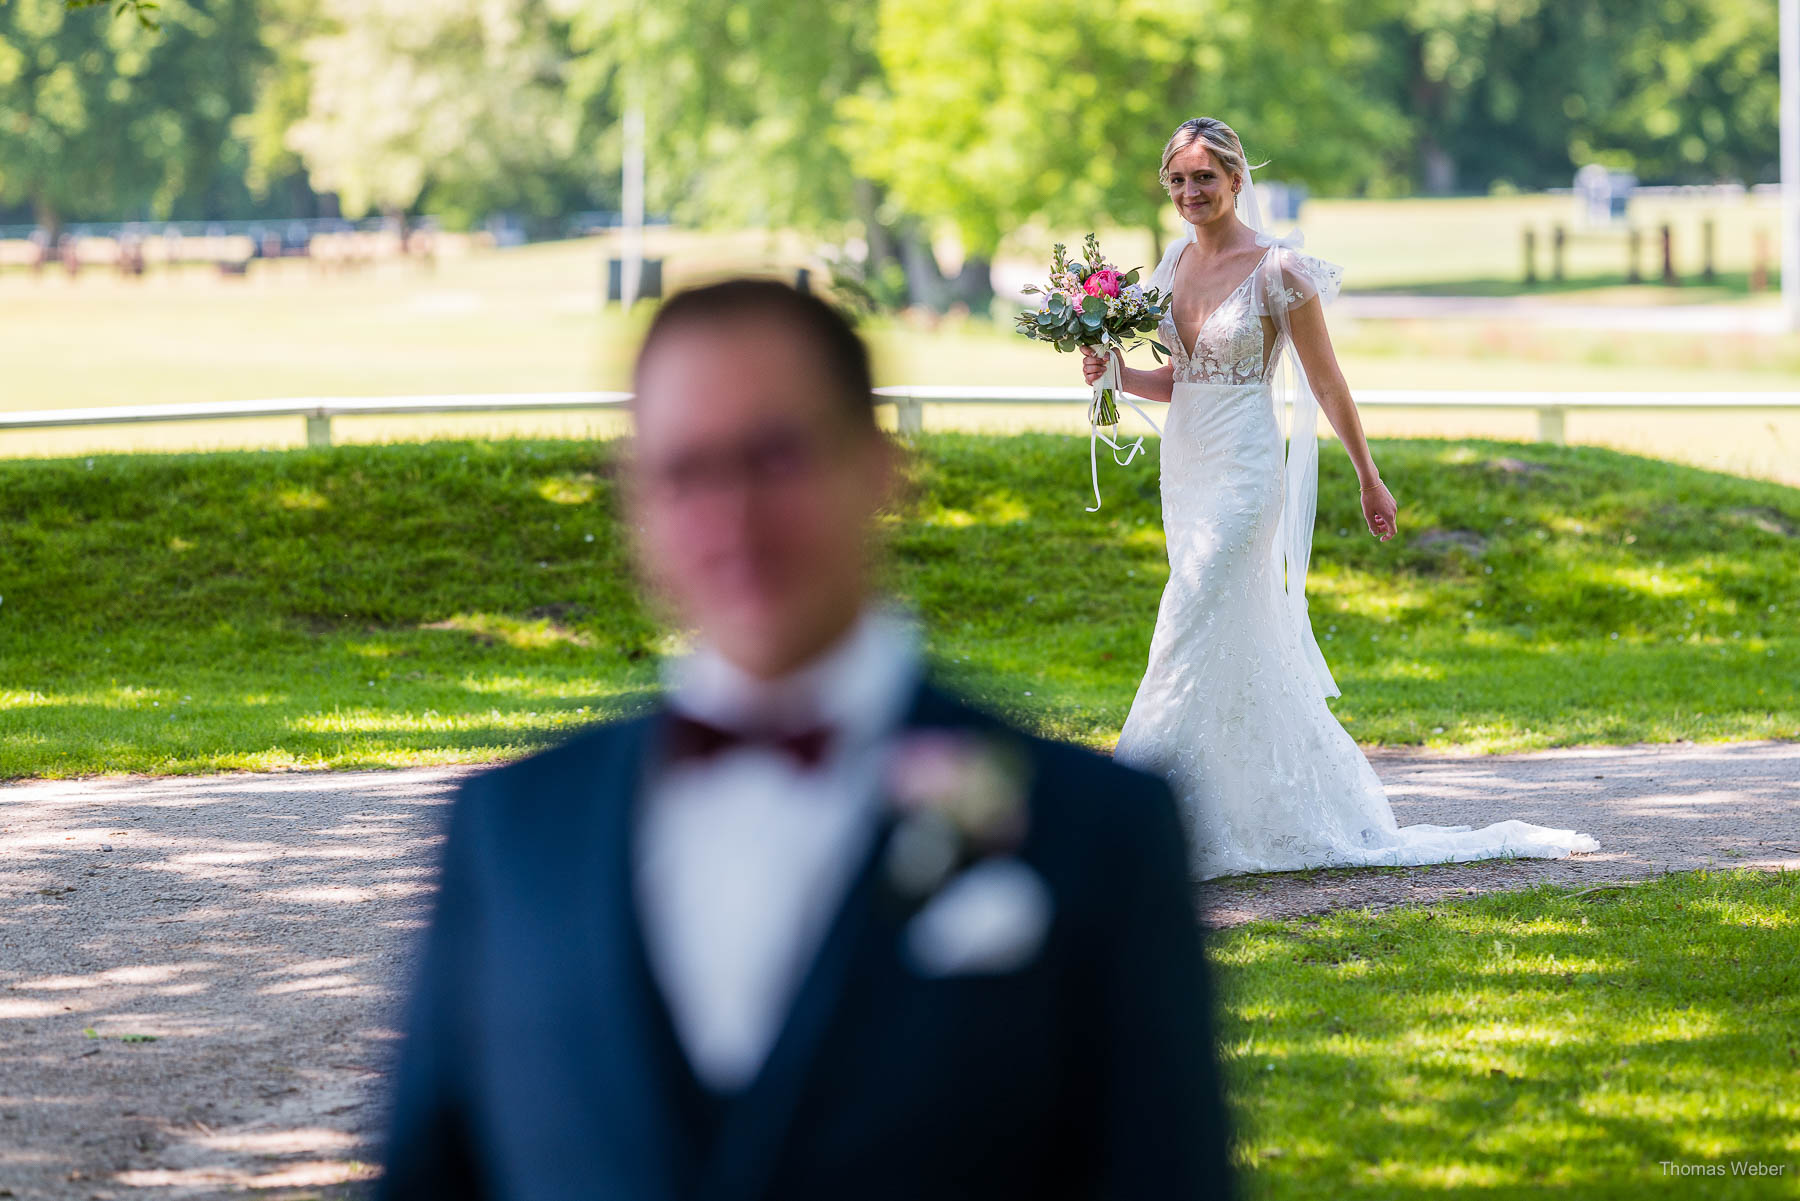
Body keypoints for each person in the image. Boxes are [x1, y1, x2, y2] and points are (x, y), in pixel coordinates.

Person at [378, 277, 1236, 1200]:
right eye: (685, 471)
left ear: (880, 468)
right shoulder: (510, 830)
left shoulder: (1097, 833)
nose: (732, 520)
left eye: (775, 456)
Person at [1082, 117, 1598, 879]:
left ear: (1234, 179)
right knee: (1227, 635)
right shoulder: (1167, 266)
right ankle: (1236, 810)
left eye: (1204, 178)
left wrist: (1369, 474)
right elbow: (1178, 380)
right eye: (1178, 180)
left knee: (1184, 621)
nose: (1190, 192)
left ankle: (1130, 821)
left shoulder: (1279, 271)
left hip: (1247, 471)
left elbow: (1326, 382)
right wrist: (1111, 372)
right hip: (1185, 470)